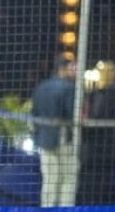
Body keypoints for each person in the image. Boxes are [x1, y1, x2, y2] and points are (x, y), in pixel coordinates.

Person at [76, 60, 115, 205]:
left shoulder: (108, 94)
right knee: (111, 186)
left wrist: (84, 125)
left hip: (100, 151)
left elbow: (97, 118)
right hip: (112, 151)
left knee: (96, 189)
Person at [30, 55, 77, 207]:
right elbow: (72, 115)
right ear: (62, 69)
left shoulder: (41, 87)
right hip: (63, 137)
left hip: (44, 137)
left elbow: (34, 114)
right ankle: (65, 208)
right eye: (72, 67)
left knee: (50, 178)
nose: (75, 70)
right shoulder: (68, 87)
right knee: (68, 177)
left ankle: (47, 208)